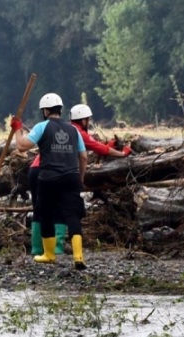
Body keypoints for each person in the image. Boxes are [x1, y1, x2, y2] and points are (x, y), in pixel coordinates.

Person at [27, 103, 134, 255]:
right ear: (84, 121)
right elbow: (97, 149)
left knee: (40, 209)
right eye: (88, 120)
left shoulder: (62, 128)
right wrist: (122, 153)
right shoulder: (76, 131)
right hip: (52, 172)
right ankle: (56, 248)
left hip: (35, 169)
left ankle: (37, 248)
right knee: (61, 210)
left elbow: (94, 146)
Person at [13, 93, 88, 269]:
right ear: (60, 110)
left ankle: (49, 254)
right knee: (72, 215)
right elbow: (83, 157)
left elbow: (22, 146)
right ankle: (78, 257)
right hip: (71, 177)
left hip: (49, 177)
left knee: (46, 213)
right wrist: (80, 178)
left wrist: (17, 129)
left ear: (45, 111)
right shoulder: (73, 130)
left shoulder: (42, 126)